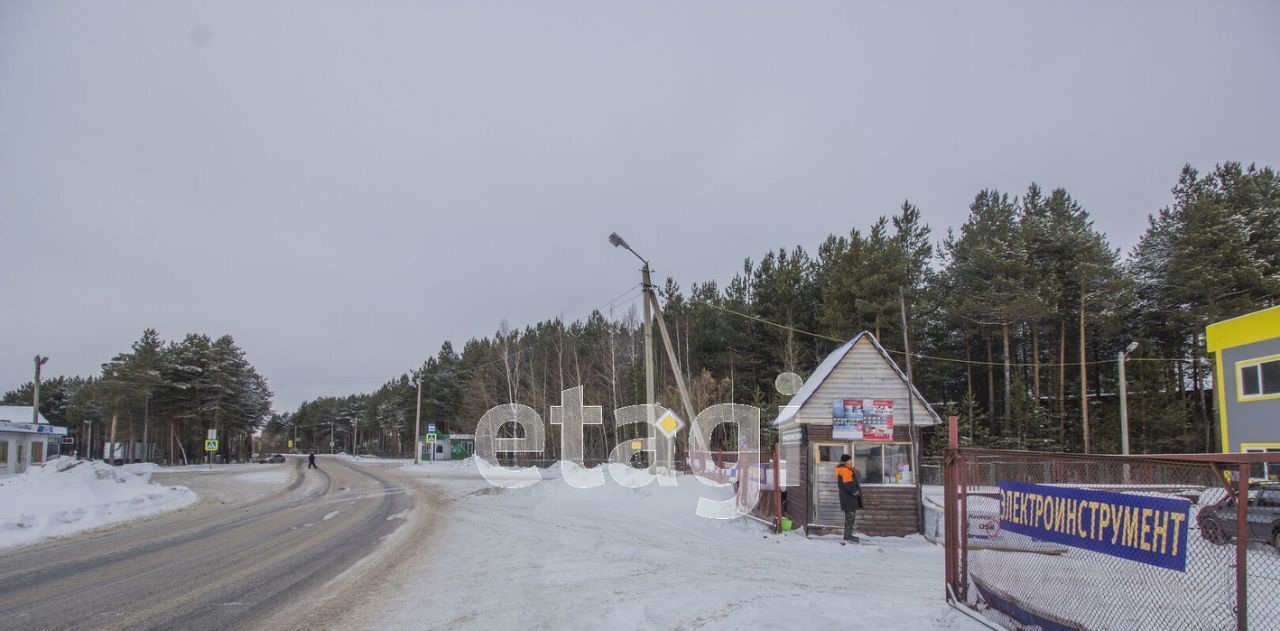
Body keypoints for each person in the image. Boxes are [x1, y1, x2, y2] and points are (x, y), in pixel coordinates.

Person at [835, 453, 863, 543]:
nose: (851, 461)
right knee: (850, 516)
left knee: (849, 516)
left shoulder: (843, 469)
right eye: (850, 460)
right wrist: (855, 492)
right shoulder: (845, 470)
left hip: (845, 496)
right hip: (849, 497)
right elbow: (848, 484)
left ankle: (848, 535)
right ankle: (848, 536)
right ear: (847, 460)